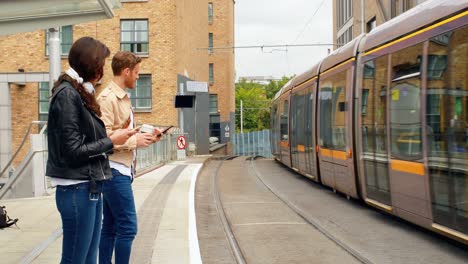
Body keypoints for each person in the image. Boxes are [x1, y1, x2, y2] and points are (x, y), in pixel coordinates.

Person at [46, 37, 136, 264]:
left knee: (88, 259)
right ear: (91, 64)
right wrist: (111, 140)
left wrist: (112, 139)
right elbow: (73, 150)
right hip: (76, 189)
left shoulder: (78, 93)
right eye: (102, 63)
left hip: (88, 186)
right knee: (76, 259)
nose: (104, 69)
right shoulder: (67, 95)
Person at [97, 51, 160, 263]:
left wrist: (147, 135)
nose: (138, 77)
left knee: (111, 227)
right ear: (126, 71)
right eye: (136, 72)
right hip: (113, 171)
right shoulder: (107, 99)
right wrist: (135, 142)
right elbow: (103, 138)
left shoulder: (121, 97)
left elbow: (122, 130)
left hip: (119, 169)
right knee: (128, 227)